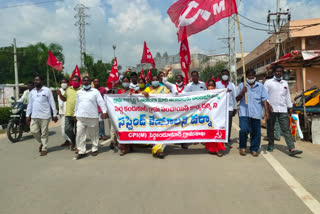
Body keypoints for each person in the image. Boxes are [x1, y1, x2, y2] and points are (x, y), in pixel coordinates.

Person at [264, 64, 303, 156]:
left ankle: (291, 148)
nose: (278, 73)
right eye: (277, 71)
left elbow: (287, 96)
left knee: (286, 129)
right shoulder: (268, 82)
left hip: (283, 109)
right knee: (270, 127)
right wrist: (268, 106)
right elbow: (264, 96)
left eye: (280, 72)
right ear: (274, 72)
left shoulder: (285, 83)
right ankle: (271, 144)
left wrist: (290, 107)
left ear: (282, 73)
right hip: (271, 109)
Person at [236, 69, 269, 157]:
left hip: (256, 112)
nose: (251, 77)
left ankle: (254, 148)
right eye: (249, 76)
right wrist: (242, 93)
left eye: (252, 76)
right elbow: (236, 99)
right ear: (246, 76)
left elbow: (264, 99)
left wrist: (266, 111)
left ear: (255, 76)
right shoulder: (242, 85)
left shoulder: (260, 86)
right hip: (244, 112)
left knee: (256, 132)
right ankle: (242, 147)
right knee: (244, 129)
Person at [74, 76, 107, 159]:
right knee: (80, 134)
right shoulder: (79, 92)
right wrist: (75, 113)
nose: (86, 82)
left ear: (90, 82)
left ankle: (94, 148)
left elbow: (101, 102)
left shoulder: (95, 91)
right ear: (82, 82)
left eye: (87, 80)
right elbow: (77, 104)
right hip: (81, 116)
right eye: (84, 80)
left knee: (94, 134)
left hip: (92, 116)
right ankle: (82, 151)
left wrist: (104, 111)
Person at [26, 76, 58, 156]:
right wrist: (27, 115)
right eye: (35, 80)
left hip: (45, 115)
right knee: (33, 131)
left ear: (41, 81)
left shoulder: (47, 90)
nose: (36, 81)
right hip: (34, 115)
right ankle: (42, 143)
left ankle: (44, 148)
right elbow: (30, 104)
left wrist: (54, 114)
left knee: (44, 133)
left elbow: (52, 102)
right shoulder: (32, 92)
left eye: (37, 80)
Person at [142, 75, 170, 158]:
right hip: (151, 115)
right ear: (151, 81)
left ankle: (158, 150)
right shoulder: (148, 89)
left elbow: (170, 98)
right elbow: (139, 96)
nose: (155, 81)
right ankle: (156, 148)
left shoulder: (164, 89)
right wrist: (144, 93)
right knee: (154, 132)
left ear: (159, 80)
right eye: (153, 80)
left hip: (162, 114)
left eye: (156, 79)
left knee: (163, 131)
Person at [57, 76, 82, 151]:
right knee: (67, 129)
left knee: (79, 131)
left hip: (78, 114)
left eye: (76, 80)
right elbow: (64, 99)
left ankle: (78, 145)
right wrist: (60, 94)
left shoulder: (82, 90)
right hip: (68, 113)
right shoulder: (68, 89)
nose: (74, 82)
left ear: (79, 81)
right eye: (73, 80)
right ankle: (73, 140)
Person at [215, 69, 237, 148]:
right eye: (223, 74)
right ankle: (220, 139)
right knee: (220, 124)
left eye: (226, 74)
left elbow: (234, 96)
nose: (225, 76)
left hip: (229, 107)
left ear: (228, 75)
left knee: (228, 124)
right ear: (221, 75)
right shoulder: (217, 84)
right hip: (220, 107)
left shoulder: (232, 85)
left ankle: (227, 140)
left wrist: (235, 108)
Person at [205, 80, 225, 157]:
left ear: (215, 86)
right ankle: (212, 149)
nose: (210, 87)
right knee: (210, 132)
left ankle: (218, 149)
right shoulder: (204, 94)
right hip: (208, 116)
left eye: (212, 85)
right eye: (209, 85)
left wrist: (225, 92)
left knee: (217, 131)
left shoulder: (219, 93)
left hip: (217, 115)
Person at [117, 76, 135, 156]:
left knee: (130, 130)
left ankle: (130, 145)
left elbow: (137, 99)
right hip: (121, 114)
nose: (125, 82)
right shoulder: (119, 91)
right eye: (124, 81)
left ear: (129, 81)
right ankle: (123, 148)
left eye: (127, 81)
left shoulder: (133, 90)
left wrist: (134, 94)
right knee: (123, 130)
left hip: (131, 113)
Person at [58, 79, 71, 147]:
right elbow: (59, 101)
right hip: (62, 112)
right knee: (63, 129)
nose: (63, 84)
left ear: (67, 83)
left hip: (69, 112)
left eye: (65, 82)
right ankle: (66, 140)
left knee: (69, 128)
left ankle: (72, 141)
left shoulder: (70, 90)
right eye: (62, 82)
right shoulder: (59, 90)